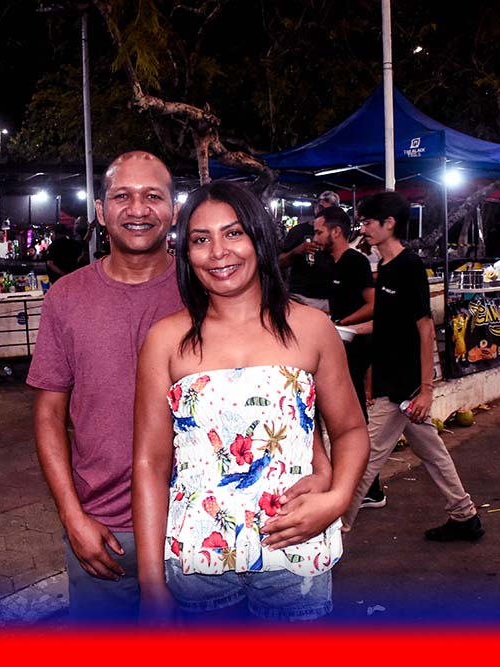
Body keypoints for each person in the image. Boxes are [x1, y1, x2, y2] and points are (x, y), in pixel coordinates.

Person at [133, 180, 368, 623]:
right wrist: (150, 584)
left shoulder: (311, 328)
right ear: (185, 253)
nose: (218, 252)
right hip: (197, 560)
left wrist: (337, 498)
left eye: (233, 233)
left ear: (259, 238)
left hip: (294, 554)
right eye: (200, 239)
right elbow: (149, 462)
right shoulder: (165, 340)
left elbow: (351, 430)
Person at [27, 151, 183, 622]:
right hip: (103, 531)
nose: (138, 209)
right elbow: (49, 414)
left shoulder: (206, 288)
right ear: (100, 210)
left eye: (152, 196)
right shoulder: (66, 296)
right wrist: (72, 516)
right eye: (122, 196)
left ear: (174, 209)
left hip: (195, 524)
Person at [343, 191, 483, 542]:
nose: (363, 229)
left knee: (362, 461)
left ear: (389, 224)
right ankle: (464, 515)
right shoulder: (385, 267)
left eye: (367, 222)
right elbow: (385, 324)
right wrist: (344, 331)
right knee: (432, 453)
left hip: (403, 388)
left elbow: (424, 328)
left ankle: (335, 533)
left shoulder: (409, 267)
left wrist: (426, 390)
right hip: (391, 382)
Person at [313, 205, 385, 509]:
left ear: (336, 231)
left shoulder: (355, 262)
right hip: (340, 344)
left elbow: (373, 304)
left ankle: (370, 487)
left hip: (355, 346)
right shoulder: (334, 263)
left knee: (355, 418)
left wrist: (342, 324)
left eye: (319, 232)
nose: (315, 238)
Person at [277, 191, 340, 312]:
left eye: (329, 209)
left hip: (331, 298)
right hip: (302, 297)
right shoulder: (298, 231)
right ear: (316, 207)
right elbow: (279, 262)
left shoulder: (338, 233)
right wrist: (296, 251)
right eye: (321, 207)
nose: (323, 212)